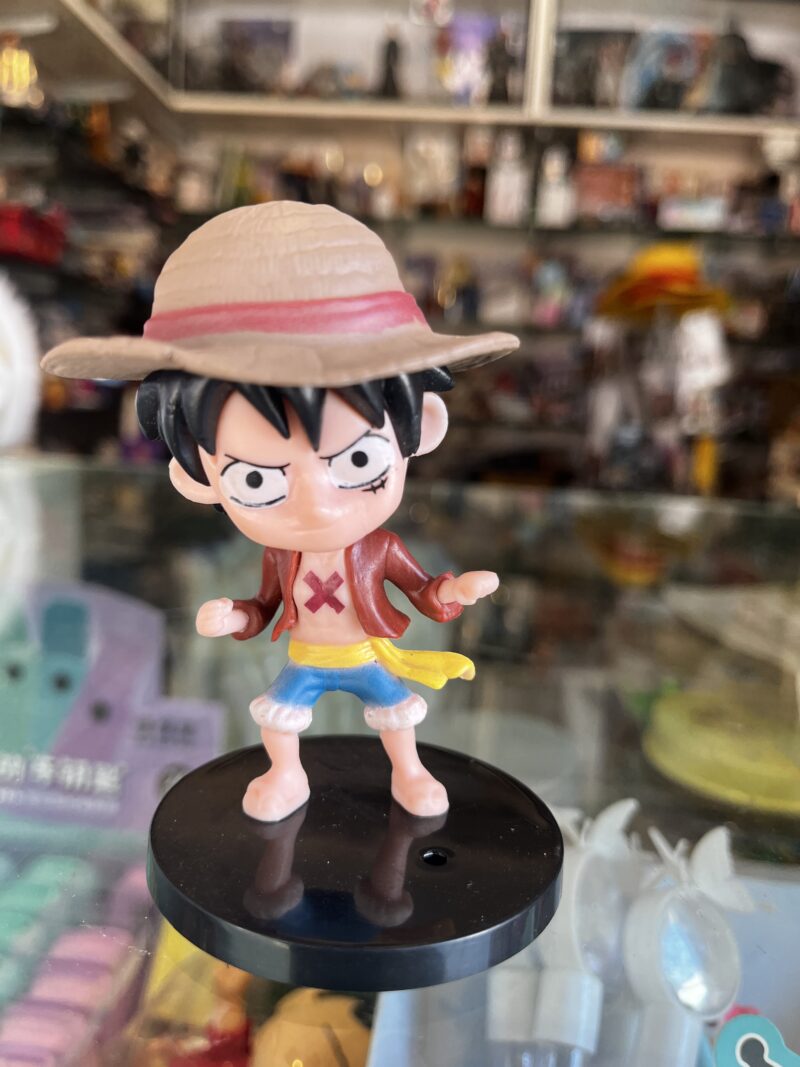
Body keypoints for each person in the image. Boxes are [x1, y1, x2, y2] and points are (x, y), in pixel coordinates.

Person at [42, 201, 518, 820]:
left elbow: (422, 590)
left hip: (366, 654)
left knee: (397, 717)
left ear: (421, 431)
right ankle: (287, 776)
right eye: (257, 480)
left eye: (357, 462)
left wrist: (454, 590)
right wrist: (235, 616)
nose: (314, 504)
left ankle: (410, 771)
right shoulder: (278, 557)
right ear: (197, 477)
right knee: (280, 720)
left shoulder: (378, 549)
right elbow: (264, 606)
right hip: (306, 661)